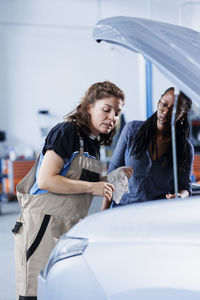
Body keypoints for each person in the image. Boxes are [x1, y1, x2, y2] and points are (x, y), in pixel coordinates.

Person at [12, 81, 132, 300]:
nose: (113, 117)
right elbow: (47, 179)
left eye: (117, 112)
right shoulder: (66, 132)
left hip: (70, 225)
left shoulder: (93, 143)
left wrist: (112, 179)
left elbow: (78, 182)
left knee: (60, 290)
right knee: (35, 292)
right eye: (106, 110)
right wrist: (94, 186)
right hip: (44, 223)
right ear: (88, 108)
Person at [101, 87, 194, 210]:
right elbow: (112, 175)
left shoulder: (185, 148)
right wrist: (103, 213)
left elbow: (185, 187)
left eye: (175, 110)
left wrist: (180, 196)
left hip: (157, 215)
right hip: (123, 211)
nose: (166, 112)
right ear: (158, 103)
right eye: (164, 105)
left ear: (183, 114)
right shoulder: (132, 130)